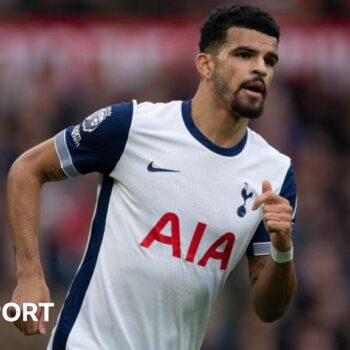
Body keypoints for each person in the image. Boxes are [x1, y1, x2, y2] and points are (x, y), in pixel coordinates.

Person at [7, 4, 297, 350]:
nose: (260, 68)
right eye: (244, 54)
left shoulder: (274, 174)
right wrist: (28, 276)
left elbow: (269, 309)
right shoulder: (132, 126)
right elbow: (26, 169)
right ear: (206, 64)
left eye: (269, 60)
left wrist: (283, 250)